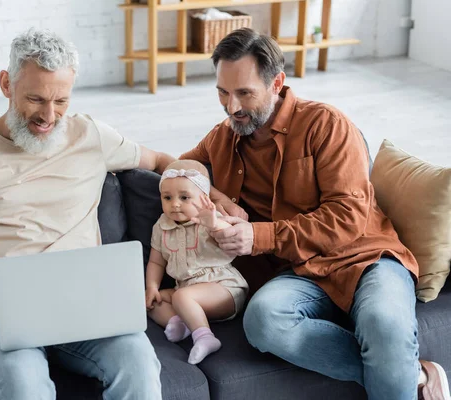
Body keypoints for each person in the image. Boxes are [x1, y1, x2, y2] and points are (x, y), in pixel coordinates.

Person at [180, 28, 450, 400]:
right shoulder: (223, 138)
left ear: (276, 83)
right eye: (223, 93)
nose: (231, 107)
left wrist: (259, 236)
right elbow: (181, 167)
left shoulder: (326, 125)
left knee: (385, 325)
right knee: (263, 321)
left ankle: (398, 370)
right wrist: (220, 199)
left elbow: (348, 216)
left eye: (244, 93)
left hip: (365, 258)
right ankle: (413, 375)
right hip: (299, 273)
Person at [0, 28, 173, 400]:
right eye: (35, 99)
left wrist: (214, 195)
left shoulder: (90, 135)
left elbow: (162, 161)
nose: (48, 116)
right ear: (7, 84)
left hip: (84, 306)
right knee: (25, 384)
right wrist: (15, 304)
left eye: (61, 101)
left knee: (139, 362)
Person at [145, 160, 249, 365]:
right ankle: (179, 323)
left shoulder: (211, 219)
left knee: (182, 297)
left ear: (204, 199)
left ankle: (205, 338)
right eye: (167, 197)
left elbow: (227, 234)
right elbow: (156, 262)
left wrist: (213, 223)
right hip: (186, 290)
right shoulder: (161, 226)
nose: (175, 204)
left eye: (184, 197)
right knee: (151, 302)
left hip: (223, 288)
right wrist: (152, 287)